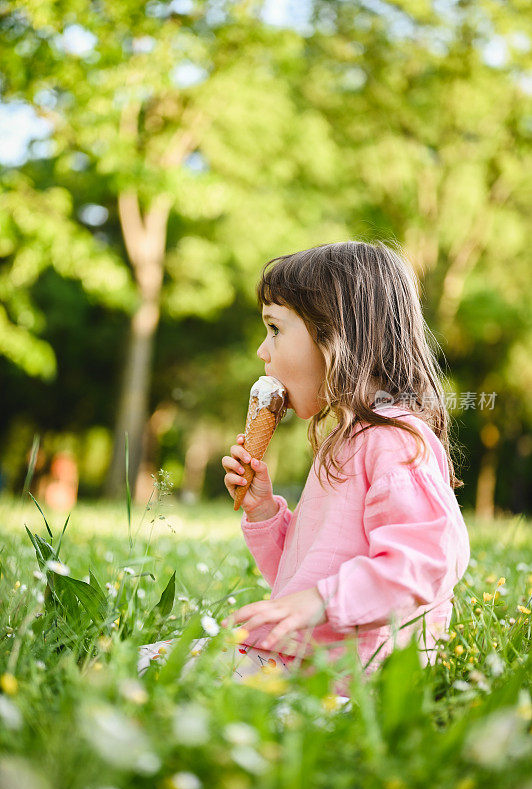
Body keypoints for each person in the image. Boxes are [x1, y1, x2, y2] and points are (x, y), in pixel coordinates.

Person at [139, 240, 470, 699]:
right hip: (304, 660)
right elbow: (305, 579)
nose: (262, 351)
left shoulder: (393, 440)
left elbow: (429, 562)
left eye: (275, 329)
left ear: (337, 335)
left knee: (148, 677)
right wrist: (264, 514)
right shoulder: (344, 442)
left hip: (349, 679)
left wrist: (322, 601)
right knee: (143, 665)